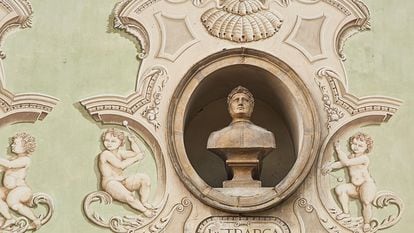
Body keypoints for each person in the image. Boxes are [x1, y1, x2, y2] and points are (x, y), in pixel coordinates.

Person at [322, 132, 376, 232]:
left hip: (366, 185)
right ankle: (346, 213)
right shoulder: (351, 156)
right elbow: (342, 163)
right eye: (354, 144)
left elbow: (346, 162)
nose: (356, 147)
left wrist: (338, 150)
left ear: (366, 148)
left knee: (366, 202)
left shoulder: (364, 158)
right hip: (355, 187)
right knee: (340, 189)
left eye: (360, 145)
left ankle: (367, 223)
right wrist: (330, 167)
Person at [99, 128, 155, 217]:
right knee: (130, 197)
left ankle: (144, 201)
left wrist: (133, 142)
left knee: (145, 179)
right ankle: (144, 210)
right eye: (106, 140)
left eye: (113, 141)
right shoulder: (105, 154)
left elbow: (137, 153)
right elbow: (121, 165)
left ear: (120, 143)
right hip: (110, 183)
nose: (109, 143)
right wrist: (136, 158)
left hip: (122, 181)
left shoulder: (120, 153)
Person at [0, 133, 41, 229]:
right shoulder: (13, 159)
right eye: (12, 143)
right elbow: (3, 168)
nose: (12, 145)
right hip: (9, 190)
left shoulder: (25, 160)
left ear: (25, 147)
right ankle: (9, 218)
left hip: (21, 190)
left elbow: (9, 165)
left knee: (12, 202)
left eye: (15, 143)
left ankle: (35, 219)